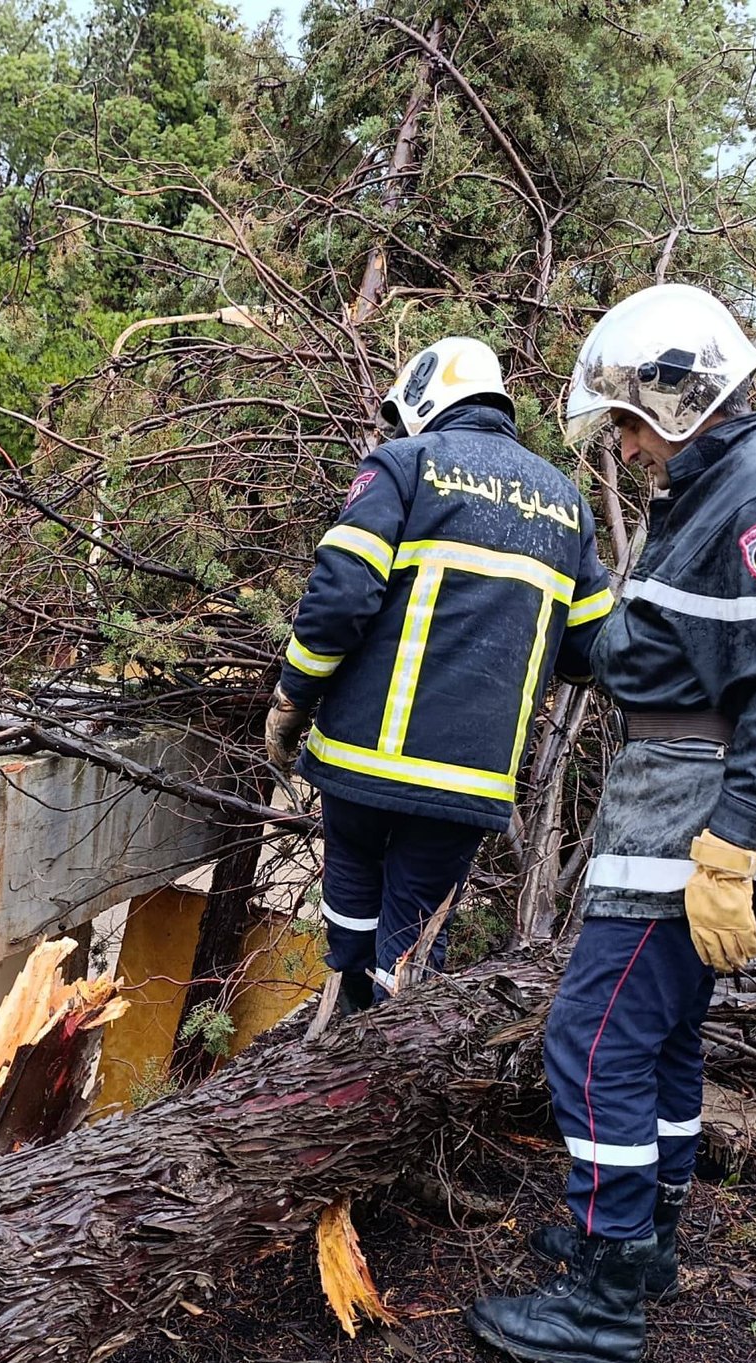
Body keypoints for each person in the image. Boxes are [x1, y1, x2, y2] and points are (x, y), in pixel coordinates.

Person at [466, 285, 756, 1363]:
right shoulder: (728, 482)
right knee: (664, 1040)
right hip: (686, 797)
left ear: (678, 397)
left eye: (629, 425)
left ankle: (602, 1297)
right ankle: (645, 1247)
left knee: (590, 1043)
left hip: (697, 809)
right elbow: (655, 647)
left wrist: (729, 849)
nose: (629, 450)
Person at [266, 337, 613, 1012]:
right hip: (468, 781)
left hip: (361, 761)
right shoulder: (567, 504)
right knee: (411, 953)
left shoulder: (404, 464)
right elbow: (591, 650)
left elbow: (339, 599)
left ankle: (341, 1040)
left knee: (350, 927)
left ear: (424, 398)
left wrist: (291, 700)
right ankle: (382, 1059)